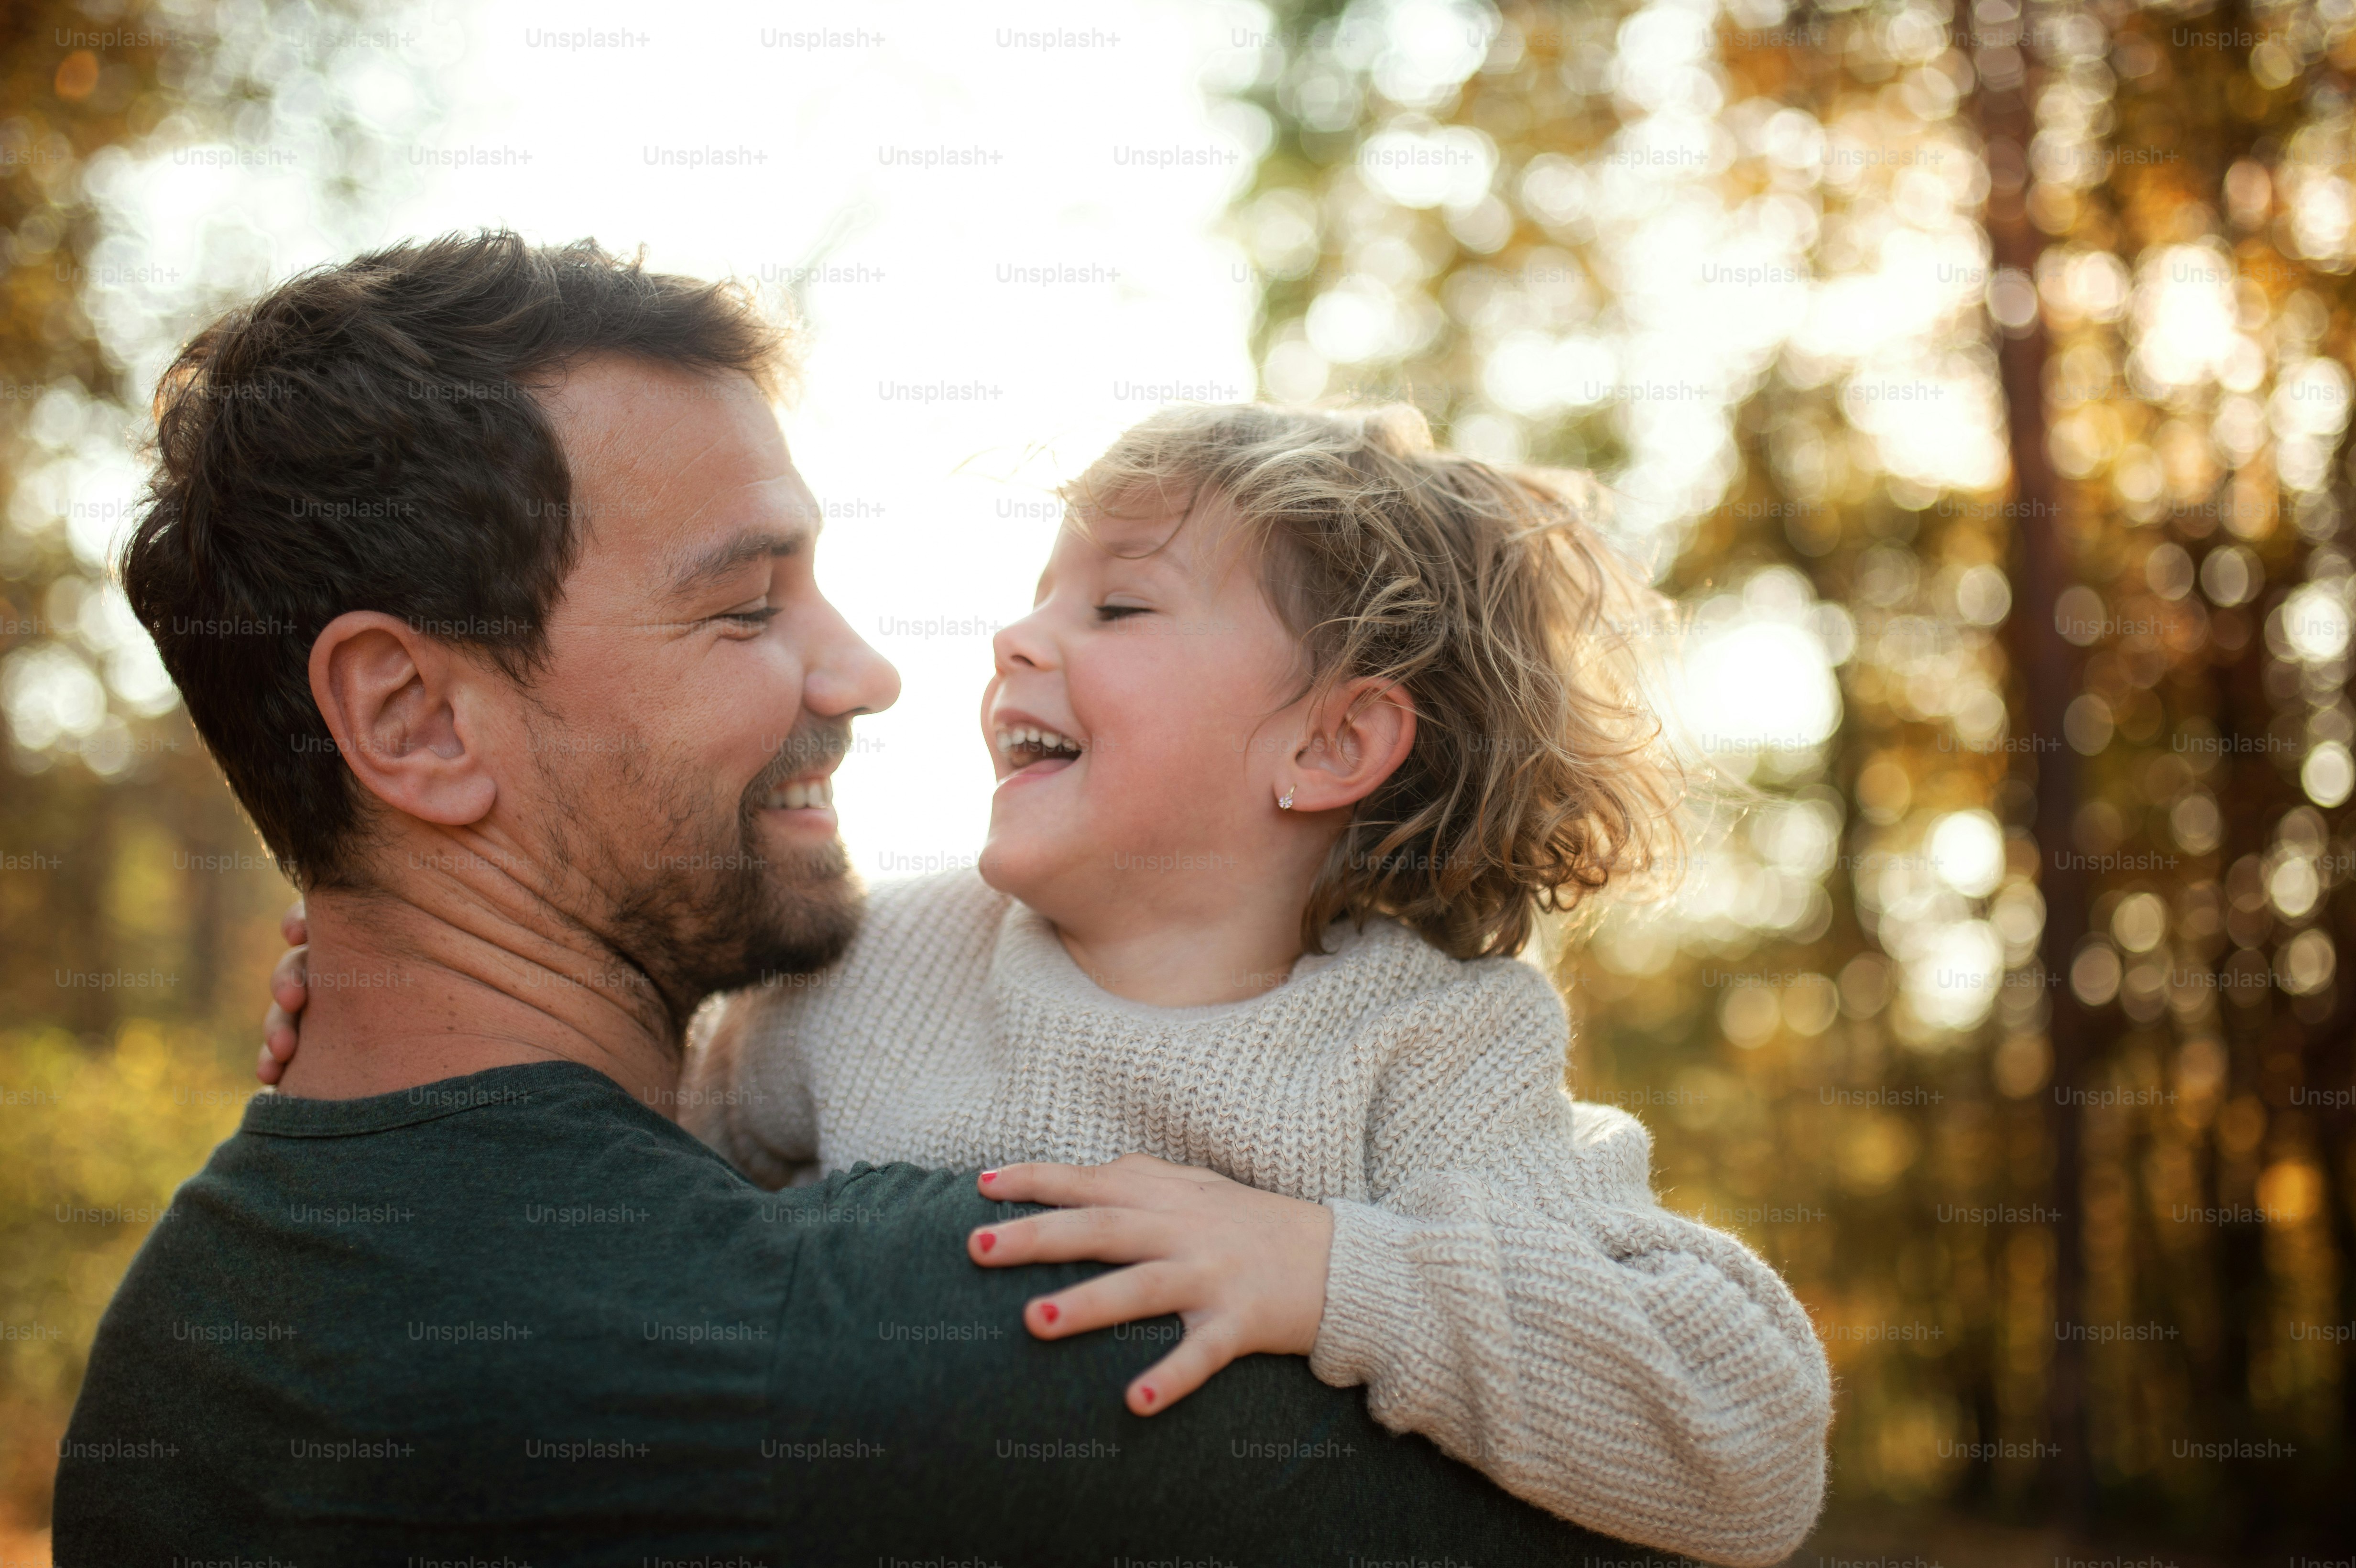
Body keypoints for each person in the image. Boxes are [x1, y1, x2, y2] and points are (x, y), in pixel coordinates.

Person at [52, 232, 1658, 1567]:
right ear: (413, 720)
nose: (877, 674)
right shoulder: (1002, 1325)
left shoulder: (176, 1357)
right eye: (746, 608)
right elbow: (1682, 1497)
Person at [257, 399, 1836, 1558]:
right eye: (1041, 590)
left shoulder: (1425, 1046)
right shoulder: (882, 969)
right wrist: (401, 1032)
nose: (1018, 636)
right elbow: (641, 1205)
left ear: (1333, 742)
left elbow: (1747, 1442)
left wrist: (1331, 1273)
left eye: (1118, 605)